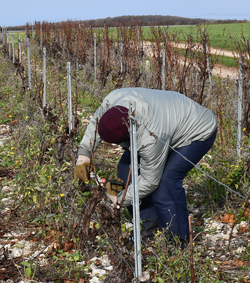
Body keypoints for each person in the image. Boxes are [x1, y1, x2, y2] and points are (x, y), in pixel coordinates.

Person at [73, 88, 217, 244]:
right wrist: (83, 156)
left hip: (197, 130)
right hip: (168, 123)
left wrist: (118, 199)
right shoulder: (112, 100)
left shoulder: (150, 135)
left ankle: (178, 241)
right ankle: (149, 226)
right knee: (125, 167)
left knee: (166, 184)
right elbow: (96, 123)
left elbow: (150, 181)